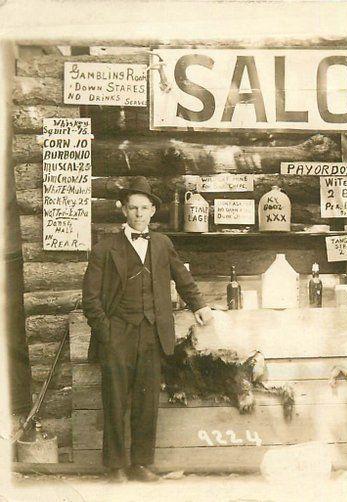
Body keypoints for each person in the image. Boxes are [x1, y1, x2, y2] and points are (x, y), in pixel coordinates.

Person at [81, 177, 214, 482]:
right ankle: (115, 465)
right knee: (114, 400)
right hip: (118, 333)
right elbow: (90, 298)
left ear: (153, 210)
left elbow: (182, 278)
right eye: (132, 208)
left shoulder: (163, 243)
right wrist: (107, 333)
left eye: (144, 208)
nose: (139, 214)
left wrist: (200, 306)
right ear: (123, 210)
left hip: (153, 333)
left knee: (146, 400)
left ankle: (141, 463)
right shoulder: (104, 248)